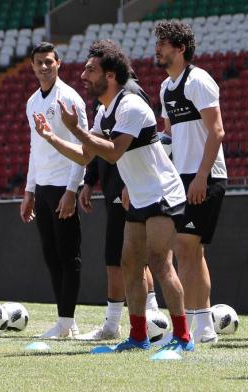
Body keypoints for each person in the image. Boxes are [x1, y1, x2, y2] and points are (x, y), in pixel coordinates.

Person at [34, 39, 193, 357]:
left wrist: (76, 129)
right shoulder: (106, 110)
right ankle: (138, 337)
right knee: (129, 263)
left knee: (160, 262)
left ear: (110, 76)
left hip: (162, 192)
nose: (83, 76)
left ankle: (184, 338)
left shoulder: (131, 104)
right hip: (138, 195)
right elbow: (85, 156)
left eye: (90, 70)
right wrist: (52, 137)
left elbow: (113, 152)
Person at [76, 71, 166, 341]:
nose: (86, 75)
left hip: (128, 184)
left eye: (93, 69)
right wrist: (89, 181)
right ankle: (151, 318)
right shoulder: (103, 104)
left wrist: (129, 183)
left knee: (123, 257)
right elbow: (94, 148)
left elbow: (139, 144)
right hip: (113, 183)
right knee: (128, 256)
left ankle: (116, 324)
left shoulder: (131, 97)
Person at [155, 20, 227, 344]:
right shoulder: (164, 88)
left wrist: (200, 176)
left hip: (205, 174)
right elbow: (169, 136)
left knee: (184, 247)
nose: (157, 48)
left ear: (180, 48)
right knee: (192, 252)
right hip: (180, 176)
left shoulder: (198, 80)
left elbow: (217, 131)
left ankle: (185, 328)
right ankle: (204, 327)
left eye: (163, 43)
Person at [20, 42, 87, 339]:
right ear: (32, 66)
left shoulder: (70, 98)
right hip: (43, 187)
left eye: (49, 61)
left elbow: (84, 148)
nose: (44, 67)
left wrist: (72, 189)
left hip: (63, 186)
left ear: (59, 63)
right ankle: (66, 322)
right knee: (51, 255)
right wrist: (29, 191)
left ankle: (64, 322)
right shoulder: (32, 101)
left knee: (68, 254)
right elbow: (35, 148)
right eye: (39, 62)